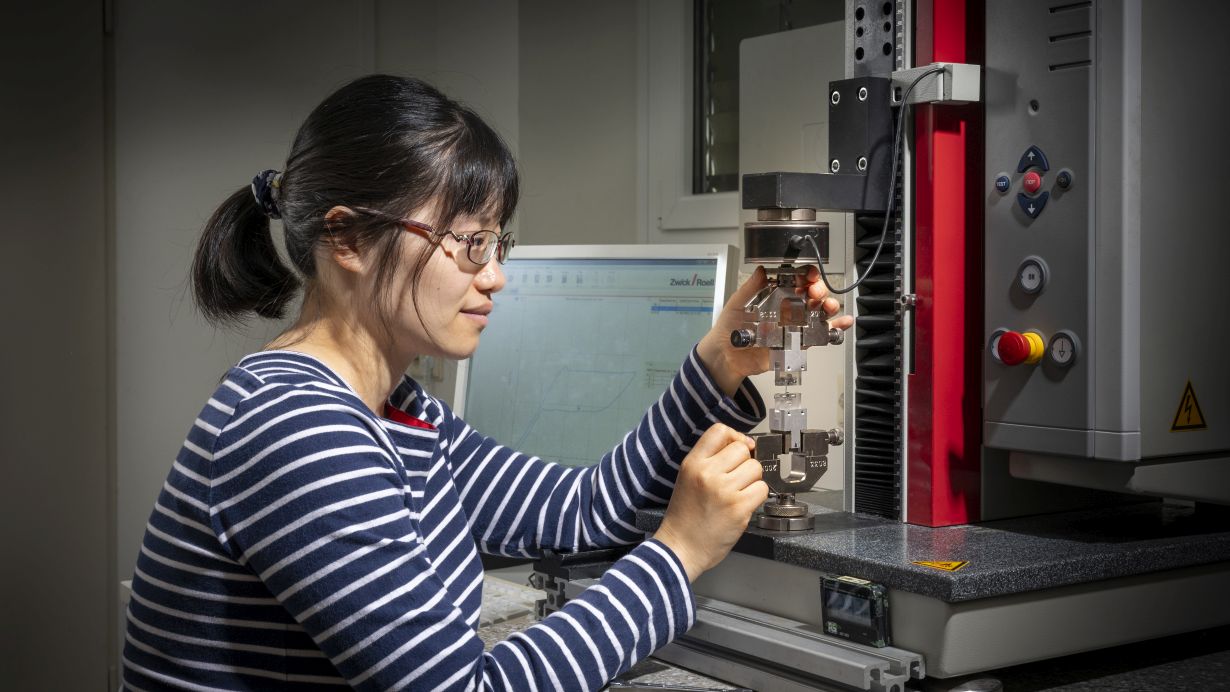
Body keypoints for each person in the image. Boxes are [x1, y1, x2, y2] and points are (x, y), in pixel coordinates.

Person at [122, 74, 852, 691]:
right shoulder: (297, 427)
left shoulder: (396, 412)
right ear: (346, 237)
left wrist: (721, 358)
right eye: (469, 243)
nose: (496, 275)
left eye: (497, 241)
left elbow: (581, 510)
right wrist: (679, 555)